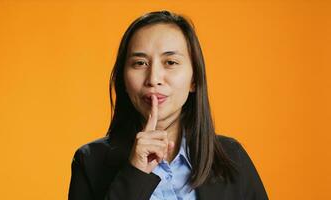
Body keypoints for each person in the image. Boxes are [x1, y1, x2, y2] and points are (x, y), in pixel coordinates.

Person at [68, 10, 268, 200]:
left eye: (170, 62)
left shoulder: (232, 157)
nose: (153, 79)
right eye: (139, 63)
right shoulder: (90, 161)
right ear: (123, 81)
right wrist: (135, 173)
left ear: (194, 79)